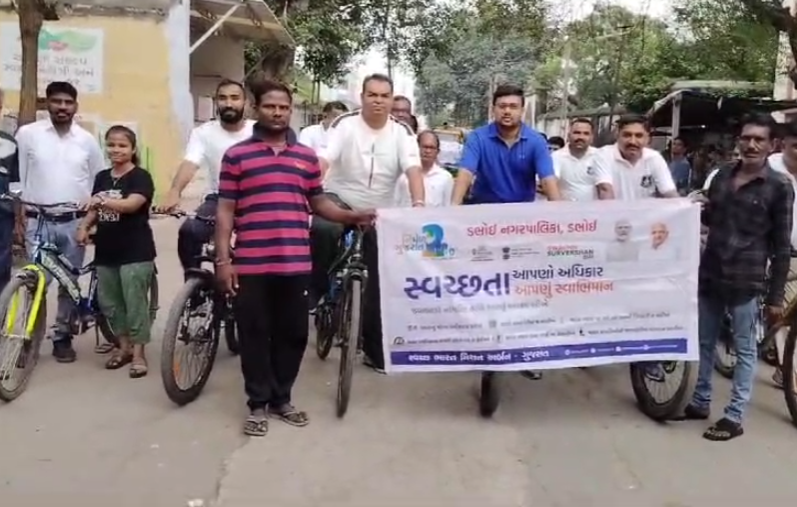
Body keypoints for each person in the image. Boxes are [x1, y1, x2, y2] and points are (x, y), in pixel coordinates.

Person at [214, 80, 374, 436]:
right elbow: (225, 210)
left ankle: (281, 399)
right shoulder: (237, 156)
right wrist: (224, 261)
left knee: (294, 334)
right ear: (256, 108)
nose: (277, 113)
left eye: (284, 107)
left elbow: (318, 203)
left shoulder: (305, 157)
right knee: (255, 333)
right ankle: (257, 404)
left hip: (296, 262)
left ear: (290, 111)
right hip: (252, 262)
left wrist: (351, 216)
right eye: (270, 106)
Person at [685, 114, 794, 441]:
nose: (751, 145)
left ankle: (734, 417)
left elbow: (781, 246)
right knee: (705, 341)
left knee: (745, 349)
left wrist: (775, 297)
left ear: (771, 145)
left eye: (759, 139)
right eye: (746, 138)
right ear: (739, 141)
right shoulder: (721, 176)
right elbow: (711, 217)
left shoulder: (779, 187)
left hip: (746, 279)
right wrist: (690, 208)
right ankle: (700, 400)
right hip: (711, 271)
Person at [312, 74, 425, 374]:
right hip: (340, 199)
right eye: (372, 95)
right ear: (361, 97)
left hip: (380, 210)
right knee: (323, 228)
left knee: (380, 277)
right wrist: (310, 188)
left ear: (391, 99)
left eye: (384, 96)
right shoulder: (344, 124)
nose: (378, 101)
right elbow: (324, 160)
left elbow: (413, 171)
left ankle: (374, 351)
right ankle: (317, 289)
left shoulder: (402, 132)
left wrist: (418, 205)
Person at [452, 83, 559, 380]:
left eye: (513, 106)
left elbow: (548, 180)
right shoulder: (478, 138)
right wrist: (453, 209)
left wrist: (562, 215)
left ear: (522, 110)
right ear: (494, 109)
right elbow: (465, 173)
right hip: (483, 222)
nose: (507, 111)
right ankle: (476, 338)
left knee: (526, 291)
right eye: (502, 106)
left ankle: (525, 352)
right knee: (479, 285)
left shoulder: (536, 142)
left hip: (521, 225)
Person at [13, 81, 105, 363]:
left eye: (68, 102)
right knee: (35, 282)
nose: (62, 107)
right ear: (47, 104)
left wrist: (91, 220)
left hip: (73, 222)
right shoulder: (28, 135)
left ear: (75, 106)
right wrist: (18, 217)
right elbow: (18, 178)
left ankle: (62, 336)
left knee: (68, 282)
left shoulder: (86, 140)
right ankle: (29, 338)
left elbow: (98, 182)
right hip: (37, 221)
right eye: (57, 101)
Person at [76, 126, 156, 378]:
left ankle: (139, 354)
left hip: (135, 250)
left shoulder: (140, 177)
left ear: (133, 149)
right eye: (111, 145)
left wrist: (102, 201)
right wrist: (84, 226)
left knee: (135, 304)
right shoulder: (102, 177)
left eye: (122, 145)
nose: (116, 150)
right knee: (111, 304)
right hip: (106, 250)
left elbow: (132, 204)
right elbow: (94, 208)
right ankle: (124, 348)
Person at [157, 79, 255, 272]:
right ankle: (194, 281)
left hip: (255, 199)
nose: (228, 103)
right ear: (216, 102)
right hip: (219, 198)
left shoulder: (259, 131)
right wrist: (175, 192)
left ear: (246, 103)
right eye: (222, 98)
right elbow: (190, 163)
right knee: (190, 231)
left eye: (235, 98)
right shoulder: (203, 133)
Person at [763, 120, 797, 388]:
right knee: (783, 311)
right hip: (771, 252)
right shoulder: (768, 169)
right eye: (796, 145)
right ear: (782, 143)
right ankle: (789, 372)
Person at [590, 114, 678, 200]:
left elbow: (669, 191)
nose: (632, 141)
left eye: (639, 136)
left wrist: (680, 205)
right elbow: (605, 189)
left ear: (647, 138)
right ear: (617, 135)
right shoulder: (604, 155)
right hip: (613, 209)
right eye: (627, 135)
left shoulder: (654, 158)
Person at [551, 118, 611, 202]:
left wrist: (607, 208)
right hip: (564, 207)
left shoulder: (600, 156)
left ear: (592, 137)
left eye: (586, 134)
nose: (581, 137)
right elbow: (552, 183)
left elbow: (604, 187)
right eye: (577, 133)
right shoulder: (556, 156)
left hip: (592, 208)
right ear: (568, 135)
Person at [394, 130, 453, 207]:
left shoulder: (445, 178)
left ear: (437, 151)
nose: (428, 151)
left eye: (432, 148)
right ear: (416, 148)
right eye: (425, 147)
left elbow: (448, 206)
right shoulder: (403, 176)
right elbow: (395, 203)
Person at [0, 87, 19, 293]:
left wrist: (19, 214)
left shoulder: (10, 142)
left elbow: (15, 182)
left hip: (3, 212)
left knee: (2, 264)